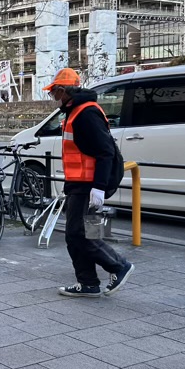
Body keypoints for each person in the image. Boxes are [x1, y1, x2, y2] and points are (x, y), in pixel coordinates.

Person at [46, 68, 133, 298]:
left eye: (55, 93)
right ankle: (88, 283)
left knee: (77, 234)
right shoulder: (77, 111)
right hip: (82, 185)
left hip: (87, 186)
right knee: (89, 234)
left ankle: (118, 266)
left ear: (64, 91)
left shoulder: (85, 113)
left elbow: (105, 152)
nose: (54, 98)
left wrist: (99, 187)